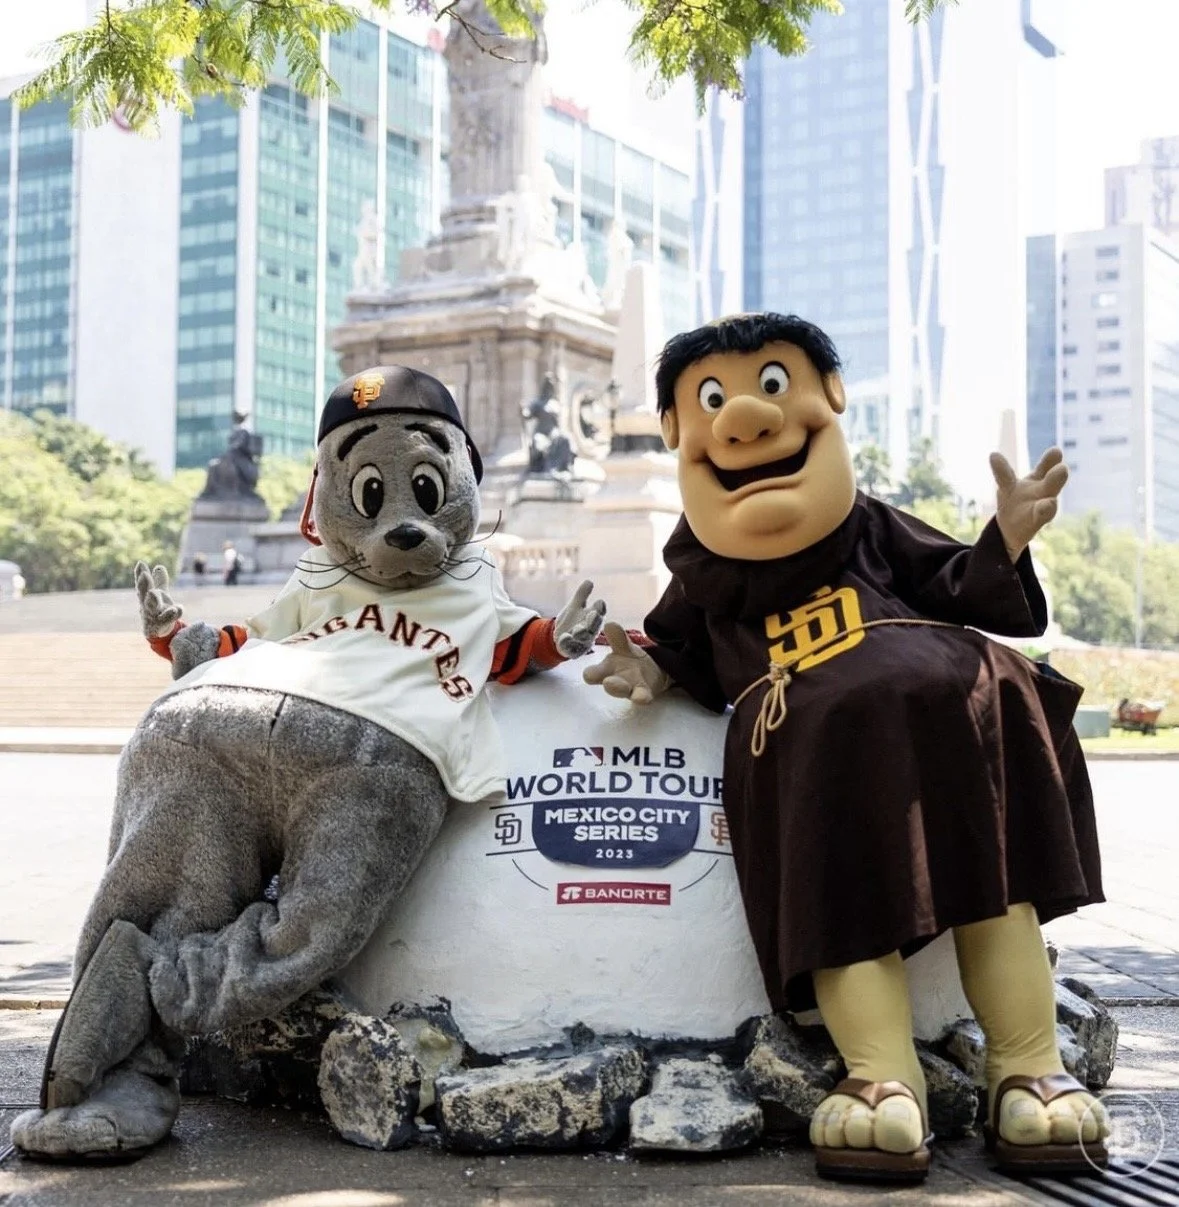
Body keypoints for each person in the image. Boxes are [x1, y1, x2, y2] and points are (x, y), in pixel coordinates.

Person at [583, 312, 1109, 1181]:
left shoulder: (865, 524)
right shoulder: (702, 576)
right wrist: (645, 674)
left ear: (829, 398)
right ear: (678, 431)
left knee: (996, 882)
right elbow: (678, 654)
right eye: (712, 399)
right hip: (818, 746)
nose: (745, 418)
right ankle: (881, 1079)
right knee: (842, 903)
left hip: (960, 711)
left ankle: (1028, 1069)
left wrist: (1004, 538)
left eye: (774, 385)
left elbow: (952, 582)